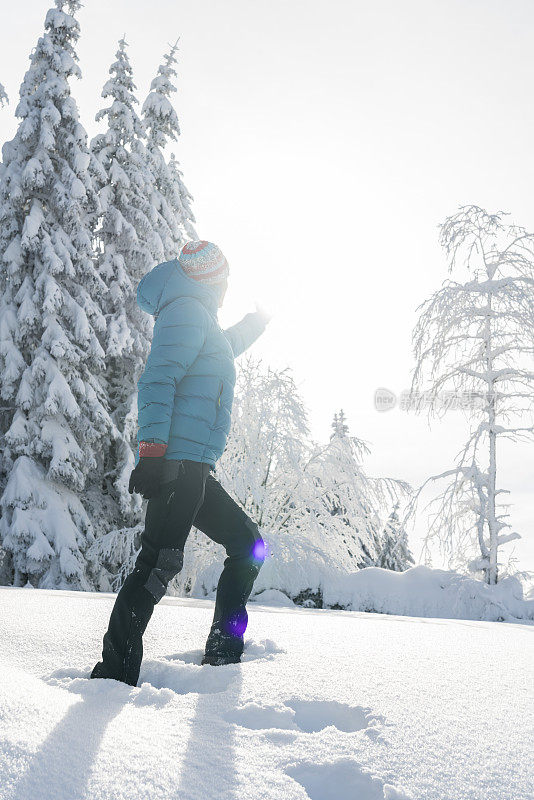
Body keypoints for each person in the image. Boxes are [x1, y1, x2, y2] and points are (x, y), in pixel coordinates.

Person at [91, 240, 270, 686]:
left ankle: (224, 656)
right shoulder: (187, 309)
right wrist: (152, 454)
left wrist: (257, 322)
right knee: (158, 563)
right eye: (225, 281)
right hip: (176, 465)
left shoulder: (199, 316)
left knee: (248, 546)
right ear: (214, 280)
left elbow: (222, 347)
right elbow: (158, 376)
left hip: (196, 469)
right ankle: (113, 674)